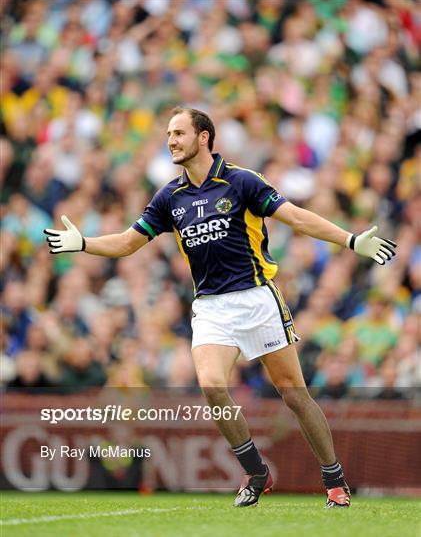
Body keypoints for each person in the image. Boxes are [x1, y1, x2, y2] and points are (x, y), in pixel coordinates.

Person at [44, 107, 396, 508]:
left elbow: (296, 219)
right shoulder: (168, 197)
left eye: (179, 133)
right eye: (168, 134)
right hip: (211, 306)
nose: (171, 140)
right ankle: (255, 470)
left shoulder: (242, 181)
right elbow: (128, 242)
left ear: (204, 137)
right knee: (211, 386)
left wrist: (350, 241)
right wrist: (84, 242)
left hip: (257, 297)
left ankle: (334, 479)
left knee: (294, 395)